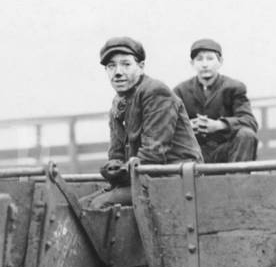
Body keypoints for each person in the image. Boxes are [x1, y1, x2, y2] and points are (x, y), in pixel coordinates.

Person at [84, 36, 201, 210]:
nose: (118, 72)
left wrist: (121, 173)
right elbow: (116, 153)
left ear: (141, 66)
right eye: (111, 66)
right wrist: (113, 167)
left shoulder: (155, 92)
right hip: (145, 177)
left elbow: (154, 154)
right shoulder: (119, 102)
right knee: (81, 206)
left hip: (176, 178)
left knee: (99, 205)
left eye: (126, 64)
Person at [174, 38, 259, 163]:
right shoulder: (180, 91)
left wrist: (219, 125)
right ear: (192, 63)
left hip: (226, 151)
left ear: (220, 62)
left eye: (210, 58)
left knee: (247, 134)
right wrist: (189, 126)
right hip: (194, 153)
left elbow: (250, 121)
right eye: (199, 59)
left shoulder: (234, 87)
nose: (204, 64)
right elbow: (170, 124)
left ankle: (237, 176)